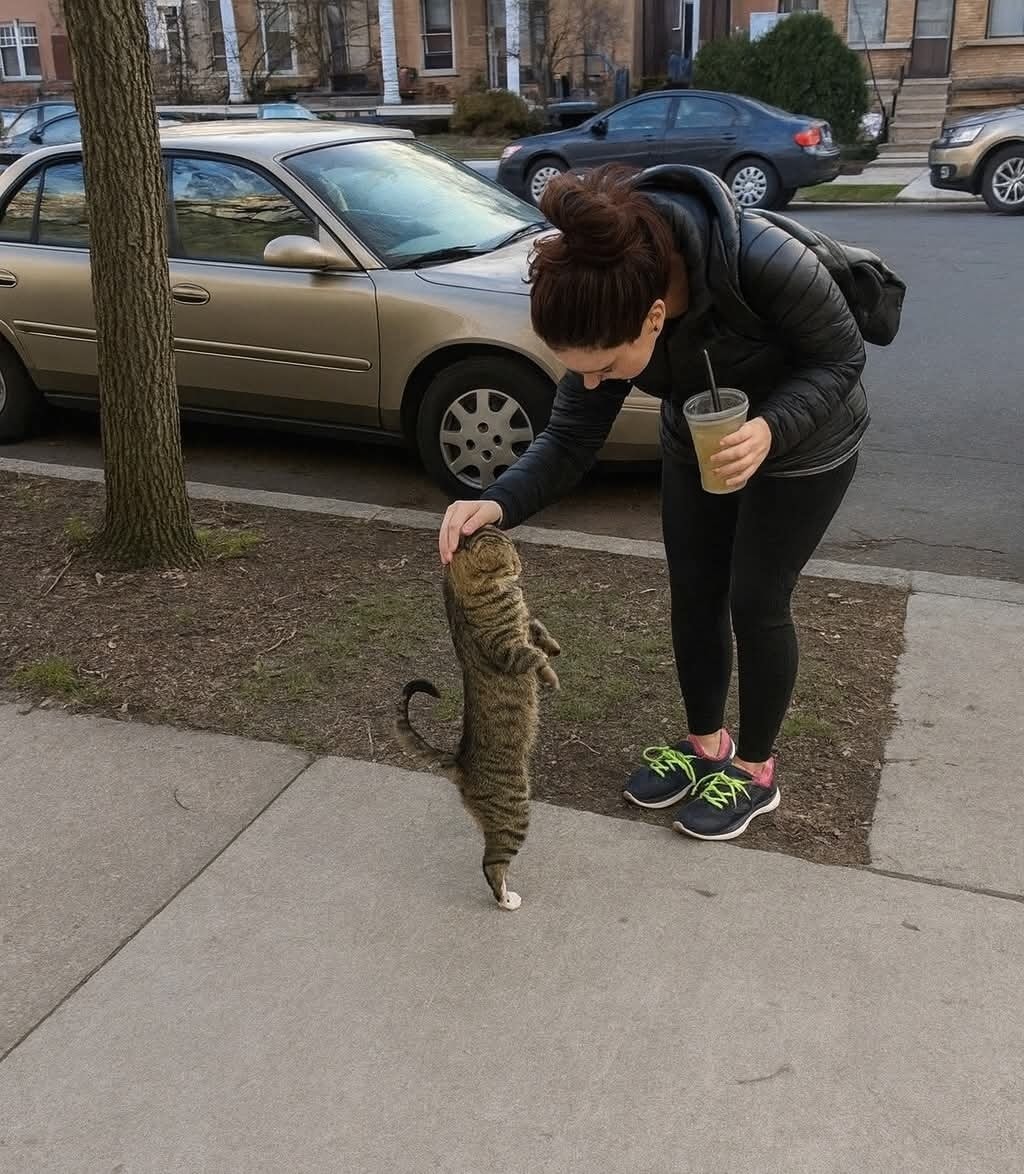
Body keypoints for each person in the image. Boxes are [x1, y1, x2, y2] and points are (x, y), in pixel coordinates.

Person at [438, 163, 870, 842]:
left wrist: (770, 429)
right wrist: (495, 503)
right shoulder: (609, 305)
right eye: (581, 368)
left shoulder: (763, 260)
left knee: (755, 601)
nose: (593, 380)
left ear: (657, 317)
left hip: (803, 439)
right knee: (695, 592)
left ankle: (756, 773)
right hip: (696, 435)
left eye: (606, 368)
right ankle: (708, 749)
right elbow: (571, 434)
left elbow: (841, 360)